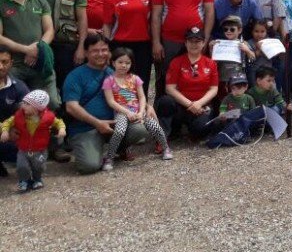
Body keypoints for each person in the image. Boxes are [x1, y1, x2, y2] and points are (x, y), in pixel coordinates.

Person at [64, 34, 150, 174]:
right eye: (95, 51)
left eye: (104, 50)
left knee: (140, 129)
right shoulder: (75, 76)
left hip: (115, 123)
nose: (101, 54)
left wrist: (147, 107)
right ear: (86, 53)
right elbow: (71, 107)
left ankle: (119, 148)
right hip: (86, 128)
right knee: (89, 166)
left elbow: (131, 94)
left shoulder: (115, 72)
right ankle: (90, 149)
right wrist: (98, 123)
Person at [152, 0, 215, 98]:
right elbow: (156, 15)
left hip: (196, 40)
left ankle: (194, 112)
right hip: (170, 41)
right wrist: (156, 42)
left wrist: (205, 39)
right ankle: (165, 115)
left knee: (196, 78)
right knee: (168, 78)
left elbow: (209, 12)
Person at [101, 47, 172, 170]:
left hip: (138, 111)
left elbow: (142, 97)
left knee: (155, 127)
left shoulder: (135, 79)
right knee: (119, 132)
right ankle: (109, 157)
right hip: (121, 113)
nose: (124, 65)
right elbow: (111, 101)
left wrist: (141, 111)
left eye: (127, 63)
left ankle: (166, 148)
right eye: (120, 62)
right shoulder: (109, 81)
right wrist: (127, 112)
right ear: (113, 63)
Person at [0, 0, 56, 105]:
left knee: (51, 103)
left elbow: (49, 30)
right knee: (16, 105)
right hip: (13, 65)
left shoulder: (41, 2)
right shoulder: (0, 3)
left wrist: (37, 49)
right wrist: (26, 50)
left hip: (41, 62)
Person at [34, 0, 88, 90]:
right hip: (40, 45)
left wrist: (81, 47)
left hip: (66, 45)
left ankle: (64, 113)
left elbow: (82, 20)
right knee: (40, 84)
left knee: (66, 85)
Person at [155, 27, 219, 141]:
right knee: (165, 101)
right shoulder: (176, 62)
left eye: (197, 41)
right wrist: (190, 104)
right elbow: (170, 88)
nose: (194, 44)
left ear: (204, 43)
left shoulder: (210, 63)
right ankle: (166, 135)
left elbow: (214, 89)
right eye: (190, 41)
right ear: (185, 43)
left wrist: (199, 104)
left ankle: (192, 130)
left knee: (201, 129)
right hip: (181, 106)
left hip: (201, 107)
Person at [103, 0, 153, 89]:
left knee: (142, 83)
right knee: (121, 84)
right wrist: (107, 49)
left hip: (144, 46)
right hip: (119, 46)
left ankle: (142, 108)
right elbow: (107, 25)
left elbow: (153, 22)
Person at [0, 89, 64, 192]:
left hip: (40, 150)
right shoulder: (19, 115)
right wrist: (5, 131)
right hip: (23, 149)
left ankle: (37, 179)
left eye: (27, 104)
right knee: (22, 166)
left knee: (39, 166)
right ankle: (24, 181)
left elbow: (58, 122)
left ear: (37, 108)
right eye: (23, 103)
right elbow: (7, 122)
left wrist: (62, 129)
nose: (22, 106)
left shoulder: (48, 117)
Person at [0, 46, 30, 176]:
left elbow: (31, 114)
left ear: (11, 63)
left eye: (4, 62)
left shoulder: (19, 87)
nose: (0, 67)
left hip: (10, 135)